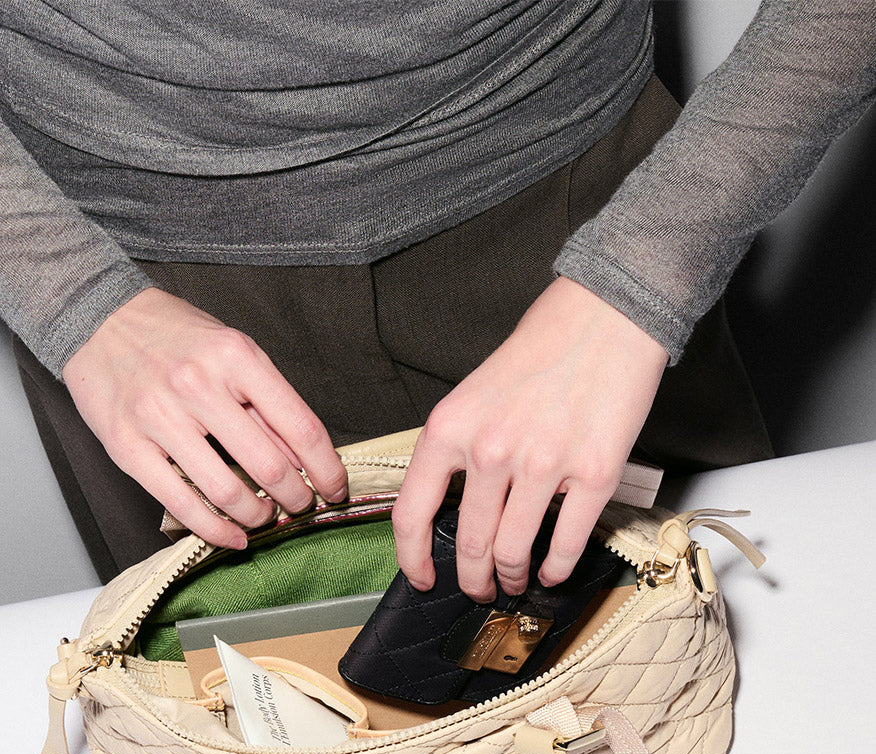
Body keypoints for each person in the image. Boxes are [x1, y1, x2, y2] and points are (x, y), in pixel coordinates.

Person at [1, 1, 874, 601]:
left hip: (587, 212)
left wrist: (639, 282)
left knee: (724, 720)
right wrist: (73, 294)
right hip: (136, 300)